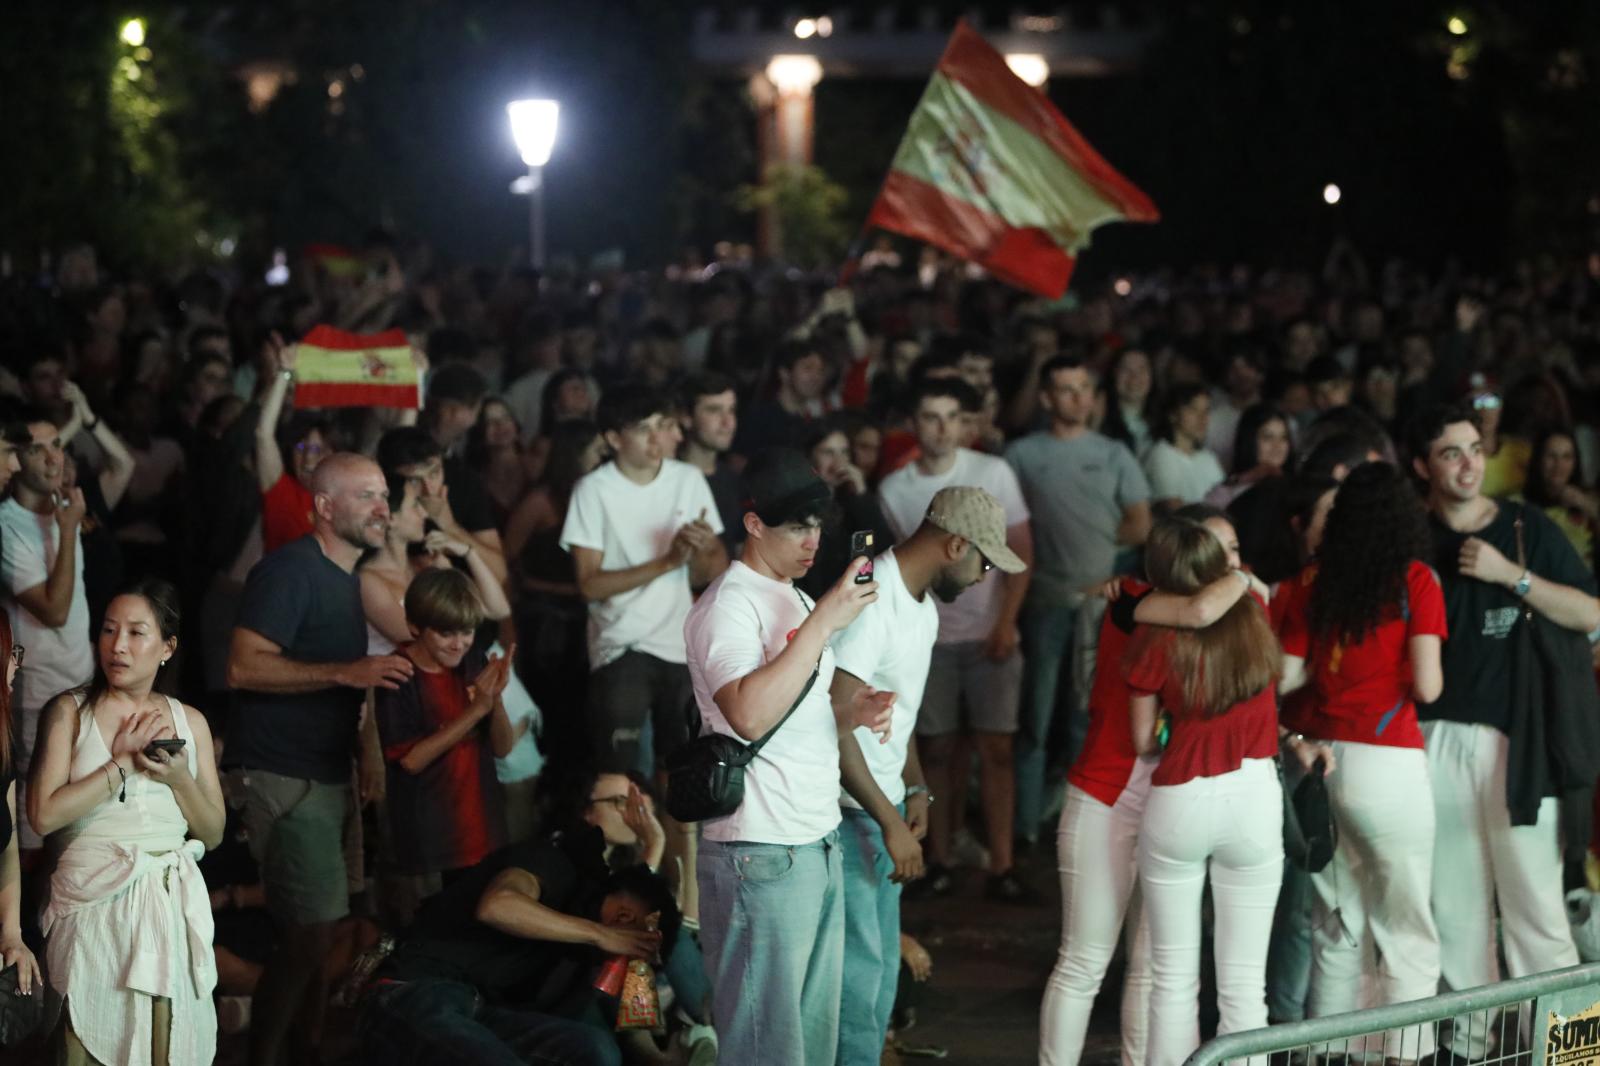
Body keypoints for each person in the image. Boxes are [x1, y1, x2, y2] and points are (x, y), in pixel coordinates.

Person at [1407, 403, 1599, 1060]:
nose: (1468, 464)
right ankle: (1470, 1045)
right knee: (1454, 912)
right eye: (1450, 453)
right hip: (1431, 739)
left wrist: (1507, 575)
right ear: (1422, 468)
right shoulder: (1411, 536)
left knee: (1537, 913)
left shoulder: (1526, 528)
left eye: (1473, 449)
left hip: (1518, 747)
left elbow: (1589, 611)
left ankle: (1572, 1051)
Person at [683, 448, 884, 1064]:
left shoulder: (793, 596)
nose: (812, 540)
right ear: (753, 525)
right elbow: (745, 714)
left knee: (809, 1040)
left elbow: (797, 706)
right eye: (797, 526)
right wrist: (825, 620)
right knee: (764, 1043)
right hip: (758, 852)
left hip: (816, 838)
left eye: (818, 526)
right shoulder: (728, 606)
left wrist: (854, 710)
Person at [1040, 506, 1259, 1066]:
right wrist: (1242, 579)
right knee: (1086, 960)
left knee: (1153, 965)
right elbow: (1197, 607)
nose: (1227, 560)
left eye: (1234, 550)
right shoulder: (1133, 601)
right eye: (1217, 548)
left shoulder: (1231, 617)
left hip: (1171, 799)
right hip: (1108, 793)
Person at [224, 452, 416, 1066]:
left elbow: (357, 683)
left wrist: (366, 756)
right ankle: (265, 1057)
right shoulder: (290, 571)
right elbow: (243, 665)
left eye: (384, 494)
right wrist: (345, 670)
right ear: (324, 507)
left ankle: (305, 1049)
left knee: (324, 931)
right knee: (308, 936)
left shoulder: (347, 580)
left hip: (328, 773)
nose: (382, 507)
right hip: (286, 774)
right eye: (366, 496)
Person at [832, 486, 1025, 1064]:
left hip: (878, 809)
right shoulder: (873, 600)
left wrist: (915, 786)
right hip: (848, 816)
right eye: (983, 562)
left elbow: (898, 711)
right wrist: (889, 819)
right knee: (858, 977)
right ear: (955, 544)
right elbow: (835, 723)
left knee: (876, 971)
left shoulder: (919, 606)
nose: (983, 577)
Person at [1275, 462, 1446, 1051]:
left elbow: (1284, 676)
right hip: (1388, 760)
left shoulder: (1312, 582)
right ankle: (1405, 1057)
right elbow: (1427, 686)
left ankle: (1325, 1055)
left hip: (1323, 762)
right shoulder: (1415, 579)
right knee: (1405, 931)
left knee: (1336, 928)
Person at [1124, 517, 1297, 1066]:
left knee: (1172, 980)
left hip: (1181, 799)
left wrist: (1175, 726)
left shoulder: (1154, 632)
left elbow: (1141, 741)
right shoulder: (1257, 613)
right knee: (1245, 989)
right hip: (1254, 798)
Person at [30, 578, 226, 1065]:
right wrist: (118, 764)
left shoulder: (189, 721)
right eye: (109, 630)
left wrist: (181, 778)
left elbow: (214, 832)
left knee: (167, 1042)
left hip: (166, 900)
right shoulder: (70, 711)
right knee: (89, 1036)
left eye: (137, 633)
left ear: (167, 647)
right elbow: (42, 814)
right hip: (93, 902)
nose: (118, 645)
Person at [359, 768, 678, 1066]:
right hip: (413, 991)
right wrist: (600, 933)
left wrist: (658, 843)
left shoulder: (597, 920)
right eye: (619, 801)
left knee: (595, 1049)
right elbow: (497, 905)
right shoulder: (550, 860)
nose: (635, 812)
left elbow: (639, 899)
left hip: (479, 1009)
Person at [877, 378, 1034, 898]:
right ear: (914, 424)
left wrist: (1006, 621)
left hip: (990, 633)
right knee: (936, 749)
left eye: (951, 416)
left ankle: (1003, 864)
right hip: (932, 639)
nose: (941, 428)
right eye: (930, 416)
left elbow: (1021, 554)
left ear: (966, 423)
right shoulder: (895, 489)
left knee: (997, 749)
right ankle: (937, 859)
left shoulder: (992, 472)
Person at [1005, 355, 1152, 847]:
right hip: (1043, 602)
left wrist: (1099, 561)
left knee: (1082, 720)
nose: (1075, 397)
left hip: (1098, 608)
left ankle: (1070, 825)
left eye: (1083, 388)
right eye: (1065, 389)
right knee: (1035, 719)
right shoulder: (1022, 455)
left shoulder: (1114, 454)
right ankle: (1025, 826)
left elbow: (1139, 522)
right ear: (1046, 398)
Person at [560, 384, 725, 777]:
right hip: (621, 644)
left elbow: (713, 570)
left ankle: (677, 842)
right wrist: (667, 560)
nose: (657, 438)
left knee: (684, 777)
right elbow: (588, 585)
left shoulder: (687, 479)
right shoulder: (593, 490)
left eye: (661, 425)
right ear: (614, 438)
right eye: (642, 429)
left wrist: (698, 550)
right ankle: (635, 840)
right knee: (623, 775)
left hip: (679, 643)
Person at [374, 568, 514, 887]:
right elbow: (410, 760)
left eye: (466, 632)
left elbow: (502, 748)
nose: (458, 644)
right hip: (431, 842)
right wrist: (476, 710)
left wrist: (495, 699)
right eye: (446, 633)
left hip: (484, 833)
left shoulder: (473, 660)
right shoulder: (399, 674)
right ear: (415, 626)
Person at [0, 407, 93, 854]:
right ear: (14, 459)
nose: (54, 457)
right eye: (38, 449)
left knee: (79, 817)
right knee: (35, 819)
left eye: (57, 444)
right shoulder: (6, 525)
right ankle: (23, 922)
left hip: (82, 682)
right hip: (37, 693)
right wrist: (70, 528)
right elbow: (53, 610)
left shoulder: (60, 507)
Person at [798, 419, 895, 603]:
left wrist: (861, 495)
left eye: (844, 452)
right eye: (828, 452)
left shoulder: (854, 502)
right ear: (809, 456)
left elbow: (884, 551)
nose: (839, 461)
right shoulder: (798, 506)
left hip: (854, 604)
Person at [0, 613, 40, 1000]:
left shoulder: (2, 737)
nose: (17, 663)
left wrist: (12, 932)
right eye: (11, 652)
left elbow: (7, 842)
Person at [676, 372, 744, 555]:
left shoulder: (737, 482)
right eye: (714, 410)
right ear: (686, 418)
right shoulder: (665, 477)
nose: (727, 422)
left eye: (731, 410)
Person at [1516, 427, 1599, 570]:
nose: (1559, 465)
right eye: (1551, 456)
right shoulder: (1517, 504)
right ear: (1539, 459)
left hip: (1585, 586)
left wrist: (1584, 503)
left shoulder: (1588, 501)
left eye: (1567, 457)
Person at [1144, 383, 1226, 512]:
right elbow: (1172, 506)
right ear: (1173, 414)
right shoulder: (1161, 455)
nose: (1202, 418)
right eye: (1193, 409)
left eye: (1206, 410)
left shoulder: (1208, 458)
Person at [1205, 405, 1294, 510]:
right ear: (1249, 440)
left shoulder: (1296, 487)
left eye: (1283, 437)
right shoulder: (1226, 492)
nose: (1277, 446)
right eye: (1267, 437)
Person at [1098, 348, 1157, 461]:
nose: (1134, 377)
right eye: (1126, 370)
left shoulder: (1164, 419)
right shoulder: (1100, 419)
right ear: (1114, 374)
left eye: (1141, 369)